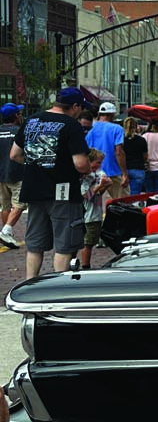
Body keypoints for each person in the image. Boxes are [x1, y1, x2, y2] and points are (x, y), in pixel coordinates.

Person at [11, 86, 93, 279]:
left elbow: (14, 154)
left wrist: (38, 164)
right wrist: (89, 168)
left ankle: (30, 285)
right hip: (62, 192)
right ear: (75, 106)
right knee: (64, 245)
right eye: (81, 108)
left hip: (33, 190)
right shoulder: (71, 125)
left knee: (35, 245)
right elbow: (80, 164)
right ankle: (59, 287)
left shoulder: (31, 120)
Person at [85, 100, 127, 203]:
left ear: (99, 114)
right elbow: (119, 152)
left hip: (94, 171)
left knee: (94, 202)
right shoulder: (117, 129)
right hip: (113, 172)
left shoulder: (90, 128)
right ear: (112, 114)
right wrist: (124, 174)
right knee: (122, 202)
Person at [77, 147, 111, 270]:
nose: (100, 165)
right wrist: (101, 185)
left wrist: (105, 186)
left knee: (90, 243)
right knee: (87, 243)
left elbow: (97, 195)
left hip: (94, 213)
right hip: (87, 215)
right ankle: (85, 266)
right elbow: (86, 195)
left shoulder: (98, 174)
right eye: (98, 162)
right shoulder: (85, 176)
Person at [0, 103, 26, 247]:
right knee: (20, 204)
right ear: (16, 116)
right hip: (17, 173)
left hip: (1, 175)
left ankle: (6, 234)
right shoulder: (19, 131)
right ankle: (6, 231)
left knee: (5, 206)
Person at [122, 117, 148, 193]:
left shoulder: (121, 139)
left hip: (123, 169)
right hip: (138, 168)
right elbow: (145, 156)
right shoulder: (141, 140)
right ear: (136, 127)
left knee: (123, 194)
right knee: (135, 194)